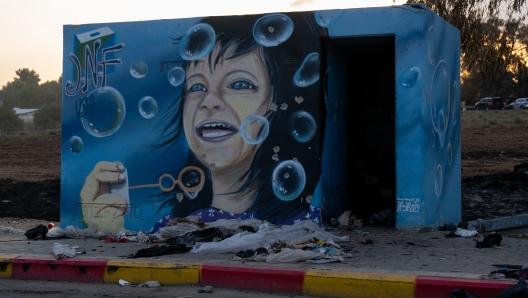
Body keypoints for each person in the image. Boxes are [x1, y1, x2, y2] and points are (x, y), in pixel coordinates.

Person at [80, 12, 327, 232]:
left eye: (239, 84)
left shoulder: (305, 227)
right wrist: (107, 227)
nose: (209, 100)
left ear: (278, 105)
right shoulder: (172, 228)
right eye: (197, 86)